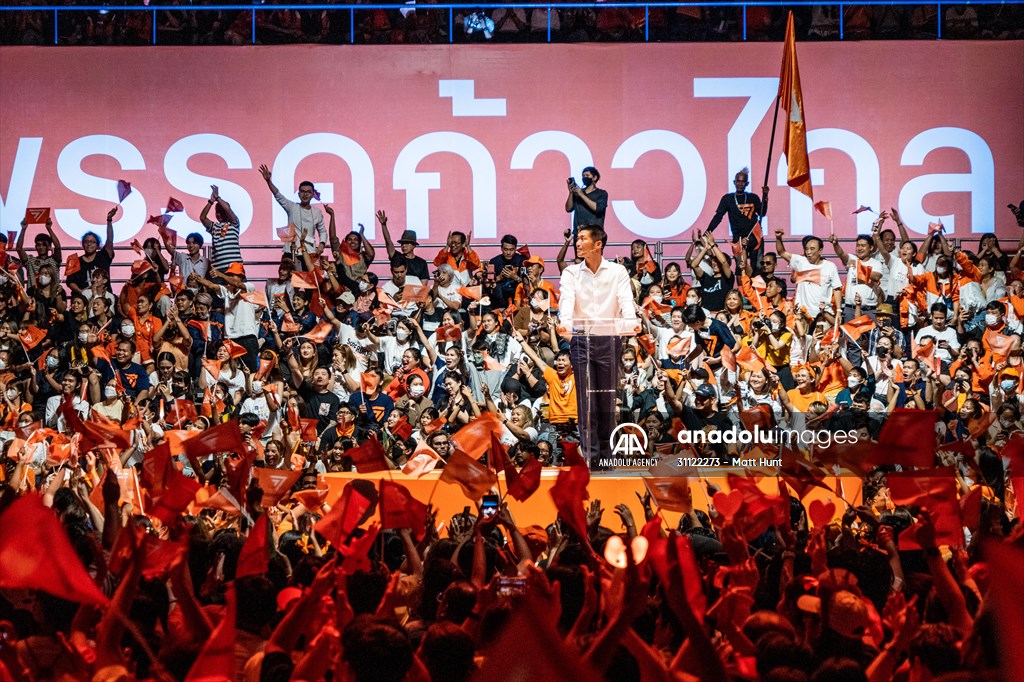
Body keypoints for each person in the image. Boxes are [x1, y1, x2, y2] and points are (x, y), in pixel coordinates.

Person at [557, 224, 639, 467]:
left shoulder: (617, 271)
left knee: (606, 400)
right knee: (586, 402)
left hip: (609, 338)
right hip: (581, 339)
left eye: (582, 239)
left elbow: (626, 300)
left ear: (598, 244)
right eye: (578, 239)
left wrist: (631, 324)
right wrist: (565, 324)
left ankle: (608, 455)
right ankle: (592, 456)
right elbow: (567, 301)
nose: (578, 243)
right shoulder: (571, 273)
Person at [259, 164, 326, 264]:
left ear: (313, 194)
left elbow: (322, 231)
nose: (305, 194)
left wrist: (322, 244)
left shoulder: (317, 212)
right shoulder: (292, 207)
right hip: (291, 251)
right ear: (298, 194)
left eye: (308, 192)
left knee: (310, 279)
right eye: (302, 191)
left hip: (310, 252)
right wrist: (269, 181)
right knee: (290, 279)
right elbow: (278, 195)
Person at [706, 168, 769, 275]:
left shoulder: (753, 197)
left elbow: (762, 213)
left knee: (757, 266)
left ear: (747, 183)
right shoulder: (728, 199)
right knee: (740, 267)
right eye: (738, 181)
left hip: (754, 236)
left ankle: (756, 290)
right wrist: (707, 232)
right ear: (734, 182)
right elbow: (718, 216)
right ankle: (742, 290)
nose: (740, 184)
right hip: (738, 238)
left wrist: (765, 197)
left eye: (743, 182)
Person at [564, 166, 608, 256]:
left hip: (594, 235)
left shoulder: (602, 193)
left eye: (587, 175)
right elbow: (568, 208)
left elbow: (597, 208)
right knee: (579, 260)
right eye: (583, 176)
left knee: (593, 259)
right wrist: (571, 192)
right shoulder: (578, 193)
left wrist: (581, 195)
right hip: (579, 235)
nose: (584, 178)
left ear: (594, 177)